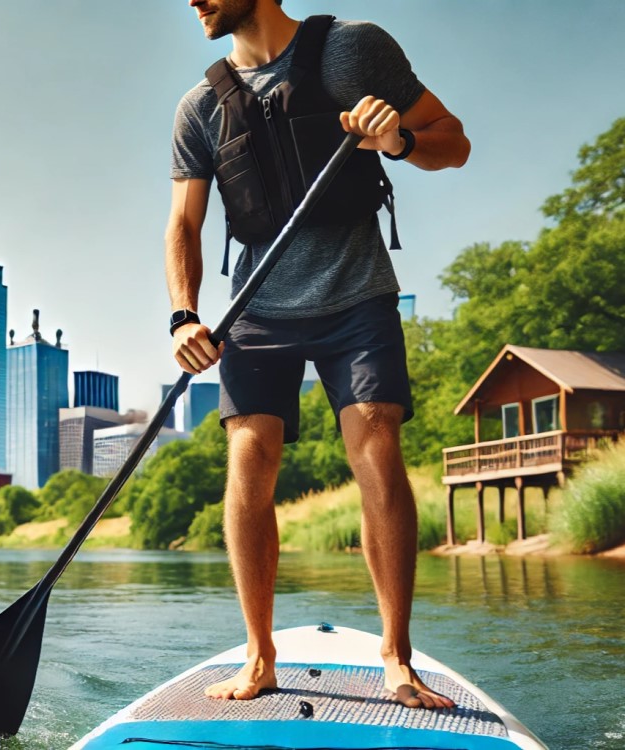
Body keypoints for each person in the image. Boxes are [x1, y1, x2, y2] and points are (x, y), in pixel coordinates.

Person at [166, 0, 470, 709]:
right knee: (250, 461)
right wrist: (183, 313)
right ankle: (259, 654)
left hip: (355, 296)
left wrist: (396, 142)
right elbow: (184, 222)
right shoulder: (198, 108)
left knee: (376, 445)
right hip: (258, 310)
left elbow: (451, 141)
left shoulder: (353, 51)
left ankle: (396, 656)